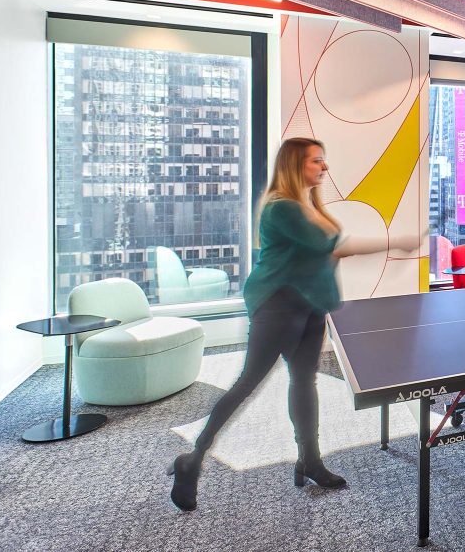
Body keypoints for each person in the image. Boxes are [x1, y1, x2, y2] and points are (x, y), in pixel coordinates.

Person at [168, 137, 414, 512]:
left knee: (304, 381)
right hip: (278, 306)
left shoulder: (308, 205)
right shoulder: (282, 208)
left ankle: (310, 460)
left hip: (310, 305)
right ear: (296, 165)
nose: (325, 167)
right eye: (317, 161)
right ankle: (194, 458)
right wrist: (394, 240)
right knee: (247, 384)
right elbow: (334, 247)